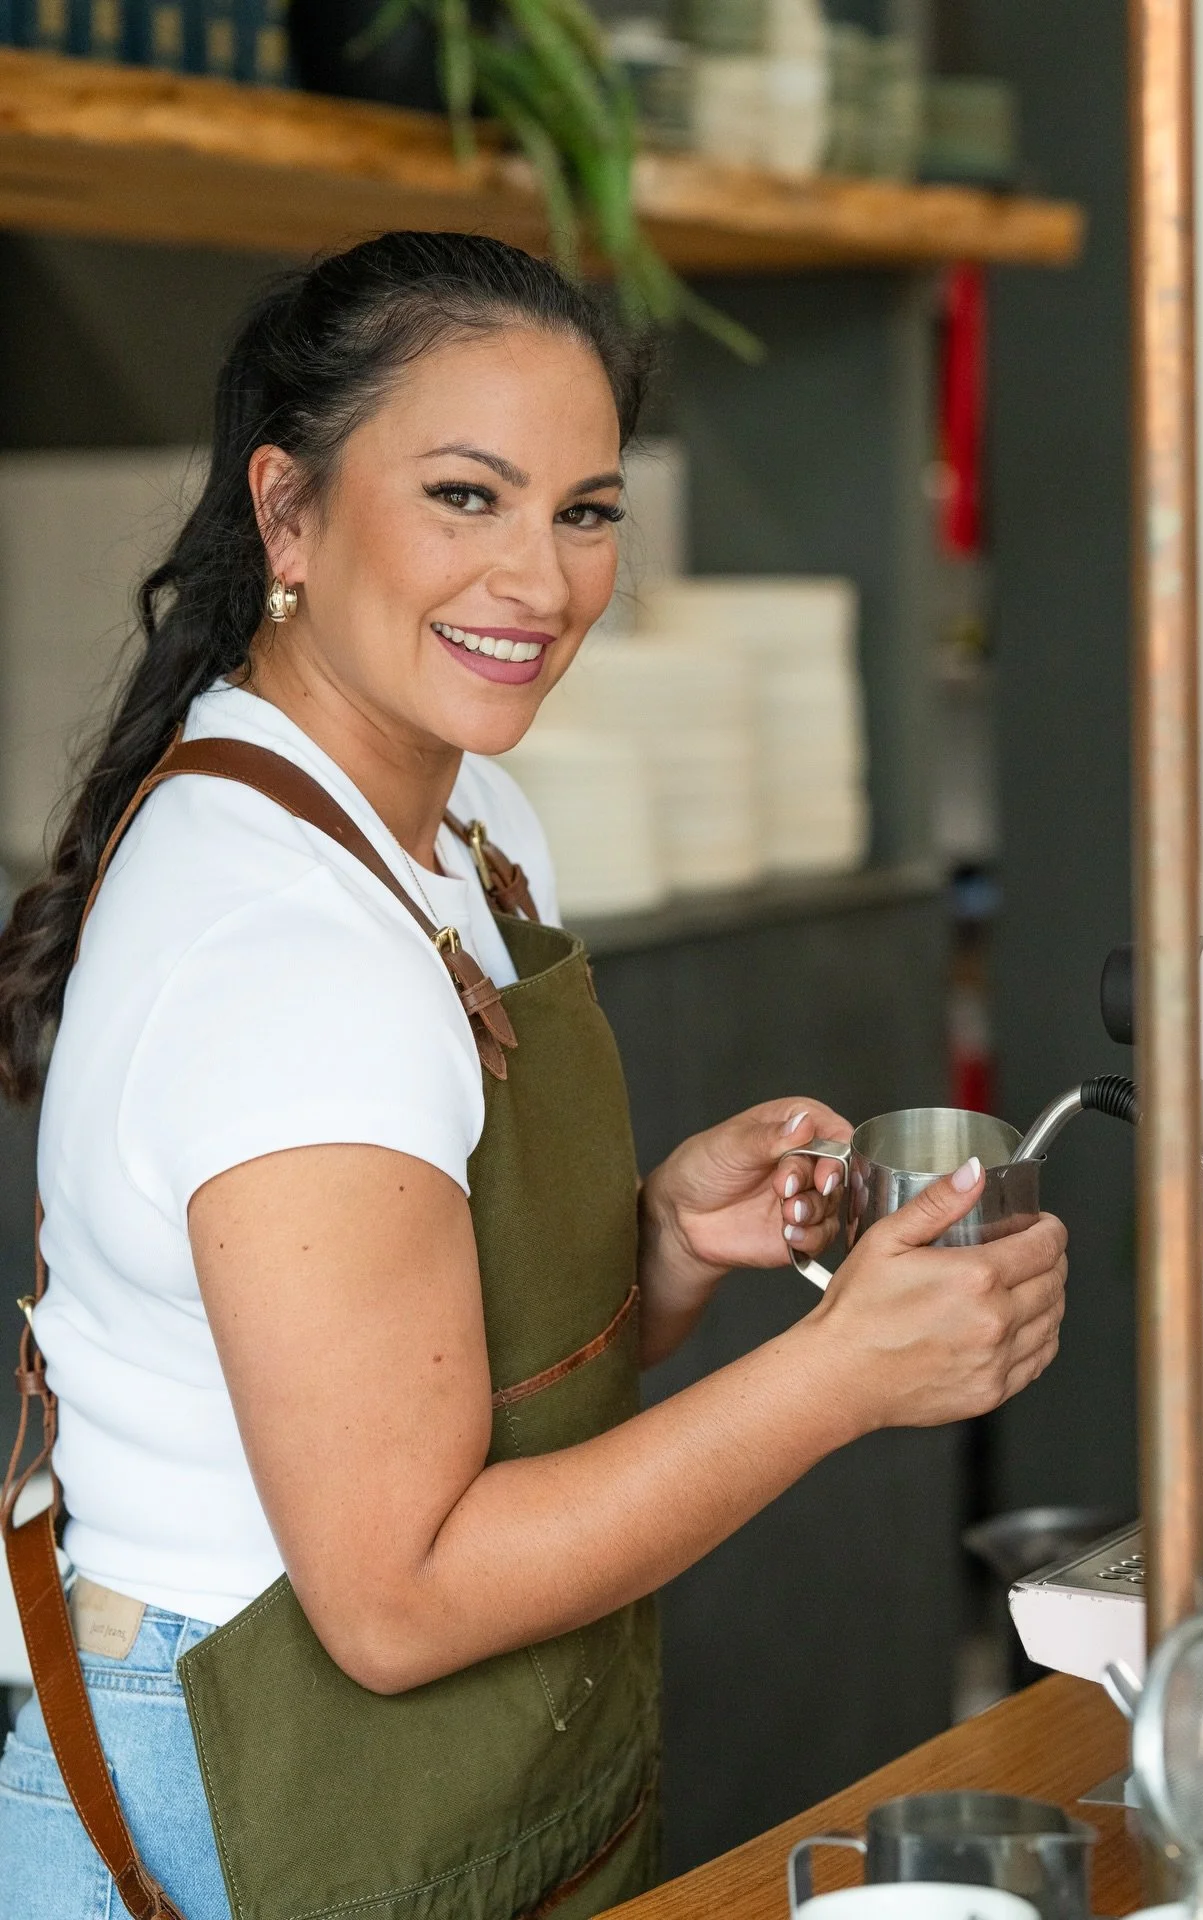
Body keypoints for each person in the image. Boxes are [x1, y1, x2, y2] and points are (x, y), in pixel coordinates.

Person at [0, 231, 1068, 1920]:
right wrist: (838, 1379)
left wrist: (652, 1247)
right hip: (233, 1796)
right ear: (287, 512)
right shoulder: (279, 945)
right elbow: (398, 1594)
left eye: (584, 510)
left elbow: (438, 1386)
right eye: (464, 496)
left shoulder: (469, 825)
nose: (541, 580)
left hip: (440, 1783)